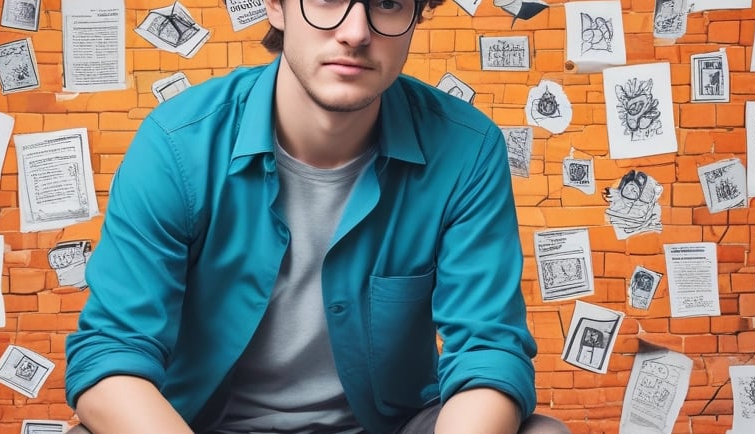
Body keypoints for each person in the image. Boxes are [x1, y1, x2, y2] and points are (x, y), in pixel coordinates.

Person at [64, 0, 571, 431]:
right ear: (275, 6)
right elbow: (111, 354)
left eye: (388, 3)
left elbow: (488, 350)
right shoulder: (177, 144)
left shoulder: (467, 148)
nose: (356, 32)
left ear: (417, 15)